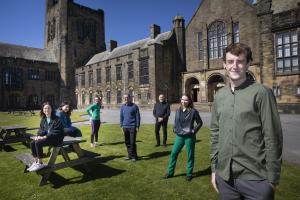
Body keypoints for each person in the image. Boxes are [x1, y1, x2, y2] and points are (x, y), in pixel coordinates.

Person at [210, 43, 283, 199]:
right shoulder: (219, 96)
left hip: (256, 179)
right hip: (225, 178)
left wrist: (272, 179)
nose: (234, 66)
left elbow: (273, 136)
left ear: (248, 63)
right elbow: (215, 134)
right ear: (224, 64)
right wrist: (214, 169)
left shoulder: (262, 93)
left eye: (240, 61)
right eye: (230, 62)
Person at [164, 94, 203, 181]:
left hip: (189, 137)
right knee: (173, 153)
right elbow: (176, 120)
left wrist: (193, 131)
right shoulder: (178, 110)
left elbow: (200, 123)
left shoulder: (193, 111)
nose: (184, 102)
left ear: (189, 101)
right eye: (182, 99)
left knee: (190, 155)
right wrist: (175, 127)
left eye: (186, 100)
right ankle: (170, 173)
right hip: (179, 136)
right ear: (180, 100)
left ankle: (189, 173)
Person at [27, 102, 64, 172]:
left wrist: (44, 137)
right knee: (32, 143)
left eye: (48, 108)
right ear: (43, 110)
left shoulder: (57, 119)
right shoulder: (44, 119)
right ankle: (36, 162)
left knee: (38, 143)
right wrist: (38, 136)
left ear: (52, 109)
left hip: (56, 139)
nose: (46, 109)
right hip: (48, 138)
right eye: (45, 108)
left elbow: (56, 132)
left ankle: (40, 163)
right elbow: (41, 130)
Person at [120, 94, 141, 162]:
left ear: (129, 98)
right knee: (127, 142)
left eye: (127, 97)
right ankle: (129, 155)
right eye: (124, 98)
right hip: (125, 127)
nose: (125, 99)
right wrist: (121, 125)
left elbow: (138, 117)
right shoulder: (122, 107)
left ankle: (134, 156)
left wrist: (137, 126)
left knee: (132, 142)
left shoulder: (134, 106)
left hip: (132, 126)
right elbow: (121, 117)